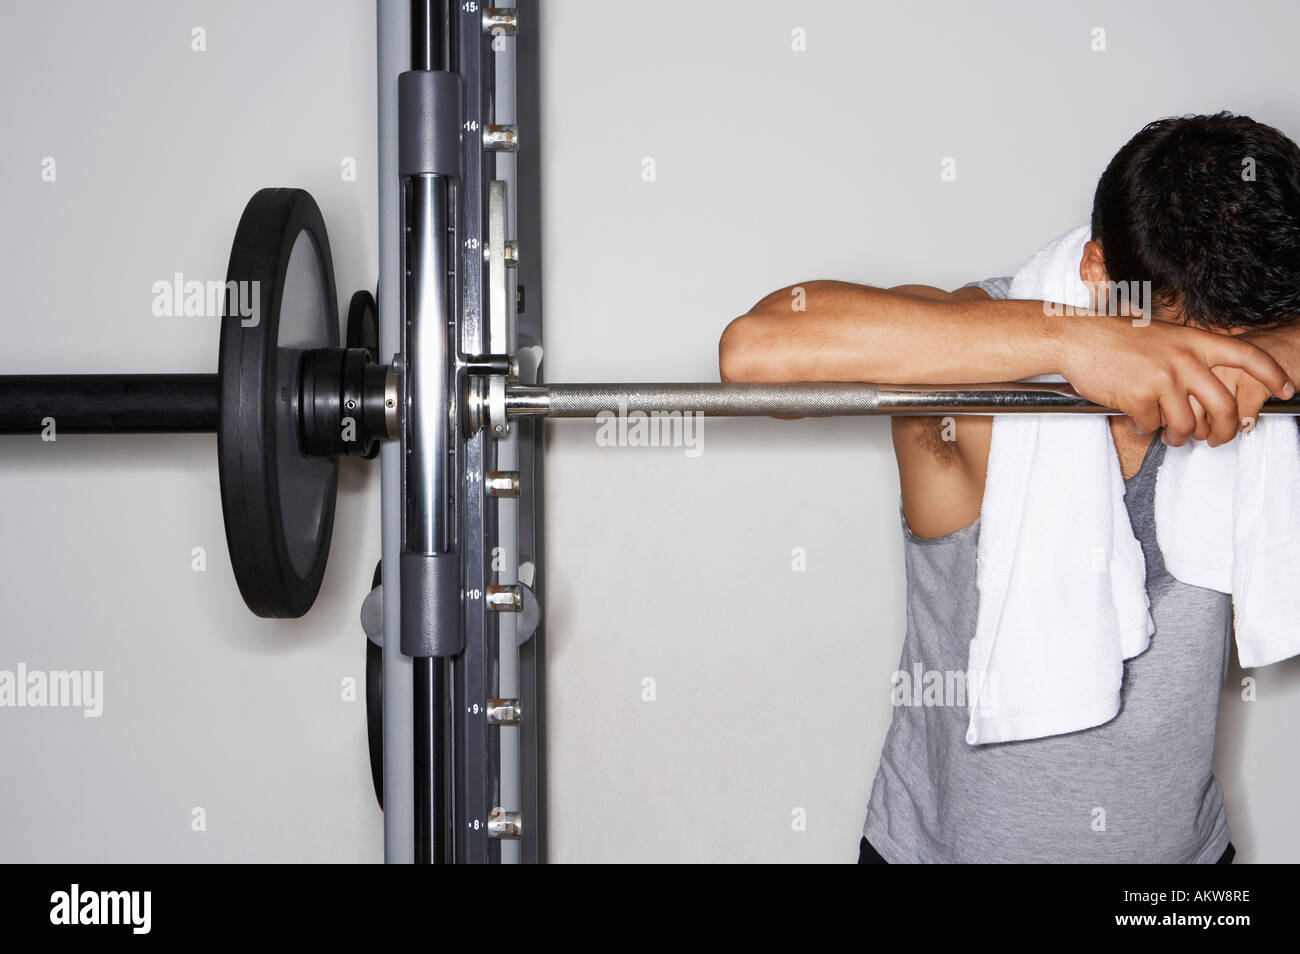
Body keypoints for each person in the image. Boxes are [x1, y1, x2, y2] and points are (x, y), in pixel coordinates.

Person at [717, 112, 1300, 863]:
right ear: (1099, 272)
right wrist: (1069, 339)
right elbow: (756, 352)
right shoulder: (971, 369)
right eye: (1178, 344)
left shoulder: (1272, 371)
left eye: (1241, 352)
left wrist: (1277, 355)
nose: (1211, 387)